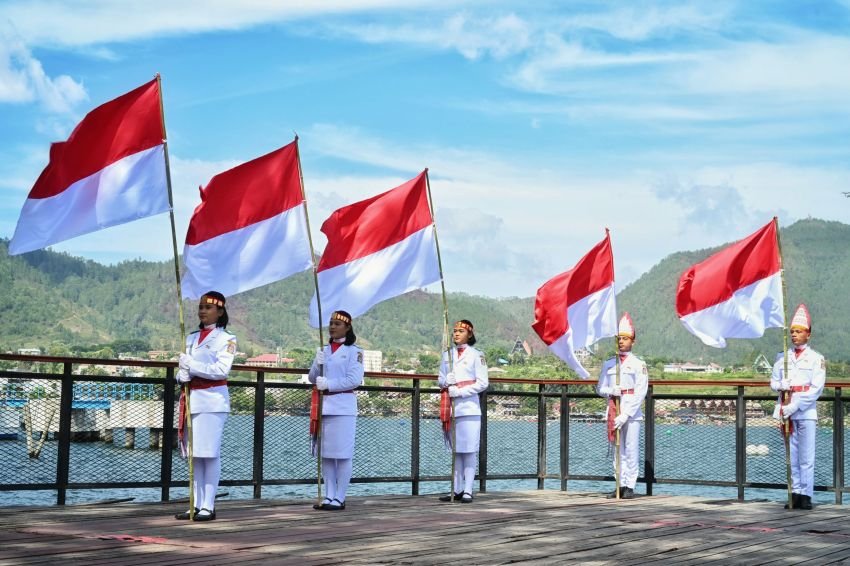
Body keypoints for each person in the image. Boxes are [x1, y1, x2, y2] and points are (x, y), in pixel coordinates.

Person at [174, 291, 236, 522]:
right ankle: (195, 504)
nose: (202, 311)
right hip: (192, 399)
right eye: (200, 307)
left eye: (208, 308)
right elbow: (186, 371)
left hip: (212, 400)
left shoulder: (226, 339)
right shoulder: (189, 338)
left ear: (219, 311)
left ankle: (208, 505)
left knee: (209, 455)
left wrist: (192, 365)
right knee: (195, 456)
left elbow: (221, 371)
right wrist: (181, 375)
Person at [771, 303, 826, 511]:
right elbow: (774, 382)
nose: (794, 335)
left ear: (808, 334)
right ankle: (795, 493)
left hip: (805, 411)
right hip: (786, 408)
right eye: (792, 331)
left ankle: (806, 495)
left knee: (806, 456)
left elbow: (815, 389)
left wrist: (794, 406)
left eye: (799, 331)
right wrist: (780, 386)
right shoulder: (782, 358)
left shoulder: (816, 359)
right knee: (791, 456)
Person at [309, 310, 364, 511]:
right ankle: (329, 495)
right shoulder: (324, 349)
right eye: (331, 323)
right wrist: (317, 363)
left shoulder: (354, 352)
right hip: (324, 407)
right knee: (327, 455)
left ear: (347, 327)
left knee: (342, 454)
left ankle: (340, 497)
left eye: (337, 324)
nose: (332, 327)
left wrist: (329, 384)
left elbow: (354, 380)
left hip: (342, 406)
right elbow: (312, 377)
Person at [596, 313, 648, 500]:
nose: (621, 342)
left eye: (625, 339)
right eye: (619, 338)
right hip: (614, 407)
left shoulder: (638, 364)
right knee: (617, 450)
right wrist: (612, 389)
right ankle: (619, 483)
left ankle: (630, 485)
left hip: (631, 412)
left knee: (631, 449)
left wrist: (626, 414)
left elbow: (640, 391)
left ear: (632, 341)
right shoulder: (609, 364)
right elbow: (600, 388)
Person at [438, 320, 489, 503]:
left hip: (468, 407)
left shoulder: (477, 355)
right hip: (452, 406)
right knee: (456, 451)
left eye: (461, 331)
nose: (456, 334)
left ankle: (468, 489)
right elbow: (440, 378)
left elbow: (483, 382)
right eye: (454, 331)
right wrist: (446, 381)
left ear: (470, 334)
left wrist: (460, 391)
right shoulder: (448, 355)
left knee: (468, 451)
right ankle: (457, 488)